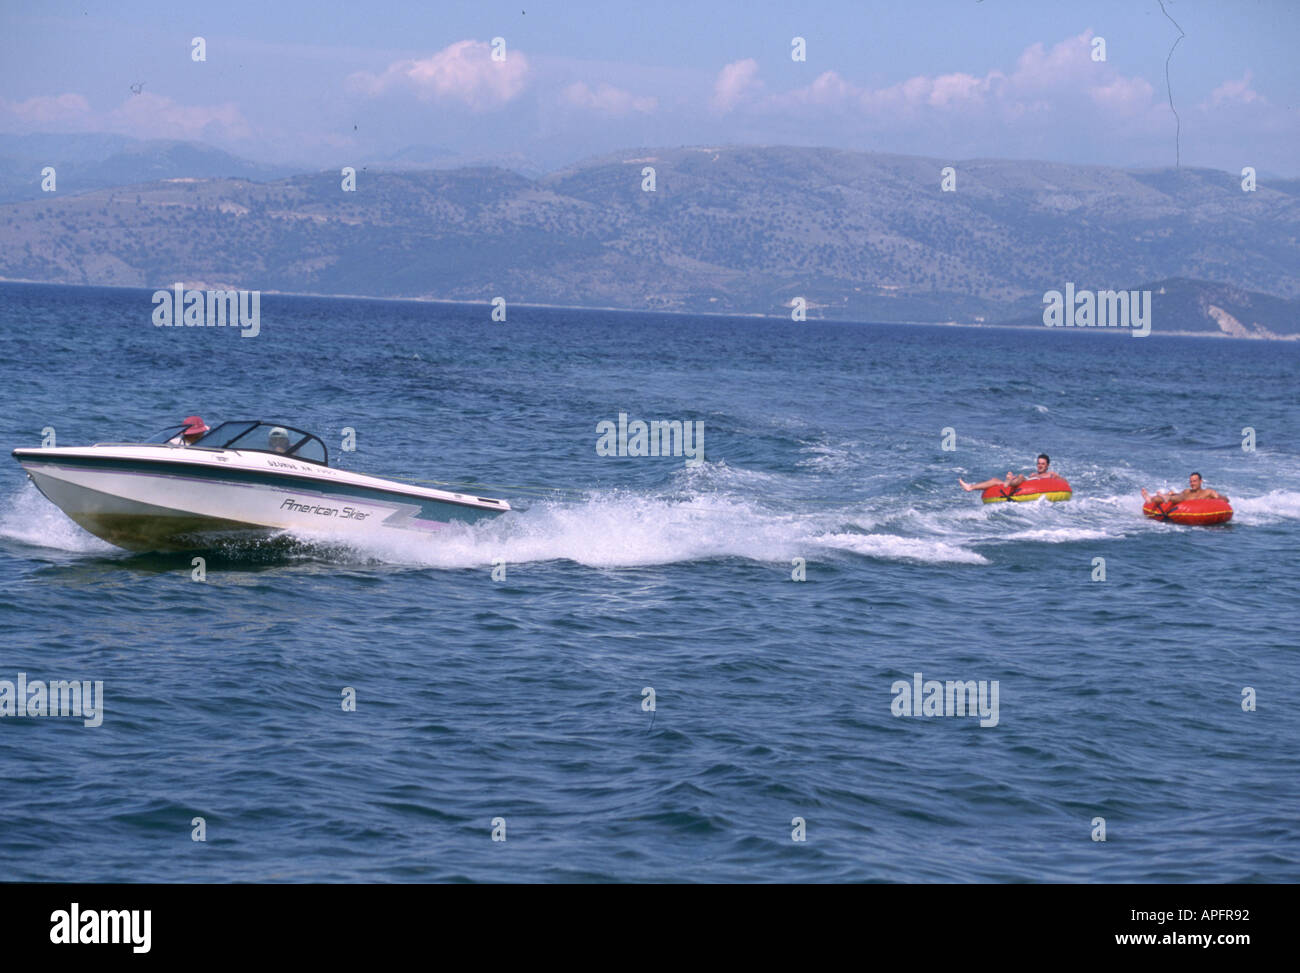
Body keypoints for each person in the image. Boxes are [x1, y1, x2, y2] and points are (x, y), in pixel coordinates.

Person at [960, 454, 1059, 493]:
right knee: (995, 480)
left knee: (1021, 476)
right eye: (1038, 463)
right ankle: (970, 487)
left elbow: (1063, 483)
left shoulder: (1051, 474)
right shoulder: (1033, 474)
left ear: (1047, 465)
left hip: (1026, 482)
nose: (1040, 466)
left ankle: (1009, 481)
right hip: (1026, 483)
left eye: (1042, 464)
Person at [1142, 472, 1228, 505]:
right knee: (1177, 497)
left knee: (1178, 497)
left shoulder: (1209, 492)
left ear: (1200, 481)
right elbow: (1179, 495)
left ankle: (1167, 497)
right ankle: (1150, 499)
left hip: (1199, 506)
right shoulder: (1187, 491)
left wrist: (1219, 497)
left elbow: (1226, 500)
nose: (1192, 484)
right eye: (1190, 481)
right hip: (1183, 500)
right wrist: (1172, 493)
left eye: (1194, 481)